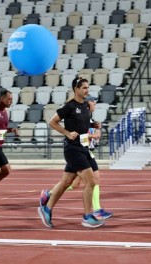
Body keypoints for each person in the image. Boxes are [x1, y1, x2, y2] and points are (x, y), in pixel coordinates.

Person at [37, 77, 105, 228]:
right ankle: (88, 216)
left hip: (84, 148)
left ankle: (46, 209)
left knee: (66, 183)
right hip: (73, 150)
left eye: (88, 87)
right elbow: (53, 122)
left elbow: (83, 125)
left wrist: (94, 125)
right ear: (76, 89)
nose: (87, 90)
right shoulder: (69, 106)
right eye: (84, 88)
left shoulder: (87, 106)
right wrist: (67, 133)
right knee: (91, 182)